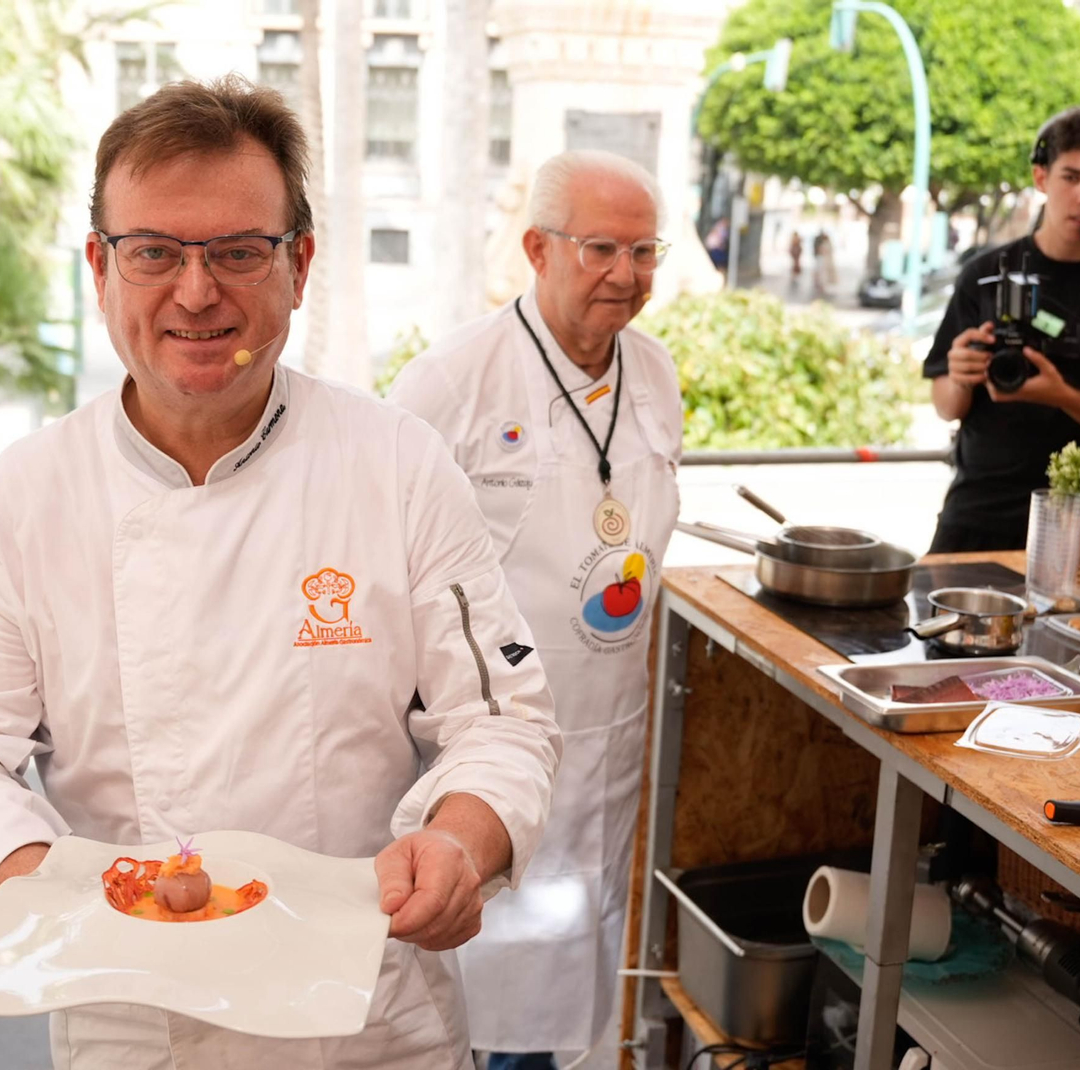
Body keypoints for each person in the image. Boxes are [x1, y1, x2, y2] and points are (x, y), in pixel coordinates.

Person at [0, 76, 561, 1070]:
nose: (197, 292)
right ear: (99, 267)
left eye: (239, 252)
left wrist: (462, 842)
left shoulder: (395, 462)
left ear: (297, 265)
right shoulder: (30, 493)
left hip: (368, 1012)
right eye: (154, 251)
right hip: (128, 1011)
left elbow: (501, 716)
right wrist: (38, 884)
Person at [390, 150, 682, 1069]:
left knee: (580, 951)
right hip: (485, 743)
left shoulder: (657, 374)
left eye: (644, 253)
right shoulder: (453, 382)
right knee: (477, 975)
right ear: (537, 249)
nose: (625, 276)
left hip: (609, 732)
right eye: (601, 248)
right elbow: (383, 562)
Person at [925, 105, 1080, 552]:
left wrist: (1060, 395)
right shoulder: (984, 272)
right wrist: (962, 374)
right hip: (976, 514)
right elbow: (947, 406)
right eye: (1072, 176)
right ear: (1042, 177)